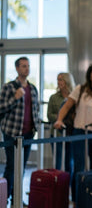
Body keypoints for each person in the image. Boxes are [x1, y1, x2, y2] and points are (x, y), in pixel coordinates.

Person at [54, 64, 92, 201]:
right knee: (79, 167)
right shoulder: (80, 90)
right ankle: (77, 199)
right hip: (80, 131)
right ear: (89, 76)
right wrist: (59, 120)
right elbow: (67, 106)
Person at [0, 57, 40, 205]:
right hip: (12, 133)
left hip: (28, 134)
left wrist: (35, 126)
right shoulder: (9, 87)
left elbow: (36, 110)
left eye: (28, 66)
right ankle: (4, 198)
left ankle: (17, 198)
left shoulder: (33, 88)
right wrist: (15, 98)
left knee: (21, 168)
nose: (27, 69)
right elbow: (1, 107)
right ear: (17, 68)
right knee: (12, 167)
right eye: (23, 66)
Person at [47, 72, 75, 172]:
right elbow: (49, 115)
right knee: (57, 162)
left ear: (67, 81)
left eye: (61, 79)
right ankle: (57, 184)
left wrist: (66, 120)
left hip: (70, 133)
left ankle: (70, 186)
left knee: (70, 162)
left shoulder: (74, 97)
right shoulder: (53, 97)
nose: (58, 82)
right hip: (56, 133)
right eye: (57, 80)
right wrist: (61, 118)